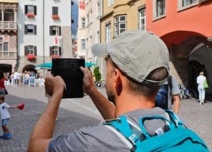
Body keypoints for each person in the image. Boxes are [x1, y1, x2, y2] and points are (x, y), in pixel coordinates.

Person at [27, 30, 206, 151]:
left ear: (116, 77)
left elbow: (35, 146)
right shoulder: (173, 122)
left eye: (108, 64)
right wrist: (91, 90)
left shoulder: (93, 141)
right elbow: (126, 123)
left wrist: (56, 94)